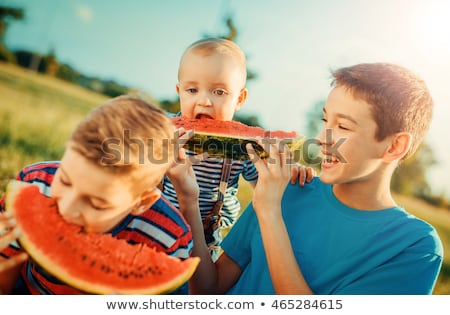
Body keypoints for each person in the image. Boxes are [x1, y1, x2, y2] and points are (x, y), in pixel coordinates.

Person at [169, 62, 443, 294]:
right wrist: (189, 200)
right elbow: (208, 290)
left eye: (343, 126)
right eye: (325, 121)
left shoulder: (413, 245)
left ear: (394, 146)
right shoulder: (289, 190)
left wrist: (270, 213)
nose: (323, 139)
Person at [0, 95, 194, 294]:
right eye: (65, 180)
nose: (67, 209)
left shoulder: (168, 237)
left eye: (96, 204)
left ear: (142, 202)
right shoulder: (35, 182)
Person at [162, 38, 314, 260]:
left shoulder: (244, 150)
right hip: (151, 230)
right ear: (179, 91)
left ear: (240, 98)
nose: (204, 101)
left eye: (219, 92)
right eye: (192, 89)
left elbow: (268, 182)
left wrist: (291, 171)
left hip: (202, 249)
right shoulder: (159, 128)